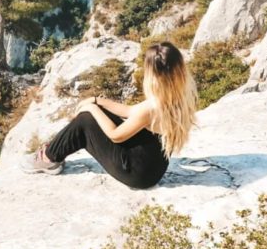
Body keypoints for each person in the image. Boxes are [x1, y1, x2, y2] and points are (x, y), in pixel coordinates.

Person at [23, 41, 198, 189]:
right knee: (95, 112)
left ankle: (49, 158)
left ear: (153, 75)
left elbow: (116, 136)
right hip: (153, 166)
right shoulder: (178, 95)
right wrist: (96, 101)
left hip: (137, 173)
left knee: (86, 119)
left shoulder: (152, 107)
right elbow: (130, 111)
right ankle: (54, 150)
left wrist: (91, 109)